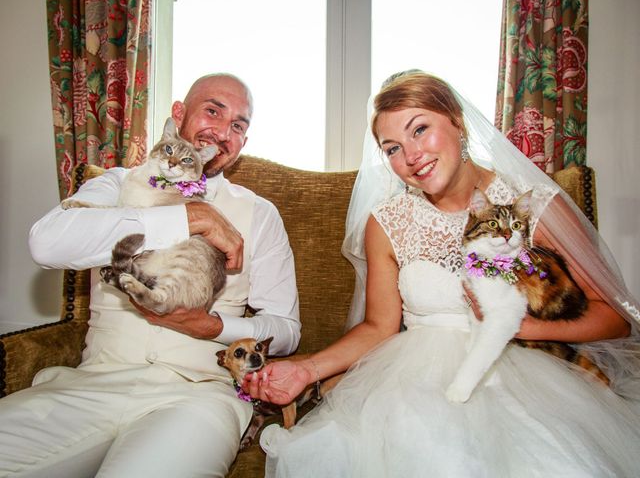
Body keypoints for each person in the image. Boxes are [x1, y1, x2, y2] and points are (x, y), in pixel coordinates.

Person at [243, 71, 640, 477]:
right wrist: (306, 370)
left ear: (457, 121)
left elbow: (615, 319)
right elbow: (380, 326)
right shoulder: (388, 222)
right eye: (393, 148)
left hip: (521, 374)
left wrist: (523, 327)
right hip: (412, 382)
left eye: (421, 130)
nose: (411, 156)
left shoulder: (531, 207)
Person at [0, 73, 300, 477]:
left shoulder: (260, 214)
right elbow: (47, 243)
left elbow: (286, 328)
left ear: (244, 142)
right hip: (91, 387)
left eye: (238, 126)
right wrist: (187, 217)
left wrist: (212, 327)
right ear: (179, 114)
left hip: (196, 398)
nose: (224, 133)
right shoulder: (116, 184)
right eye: (213, 111)